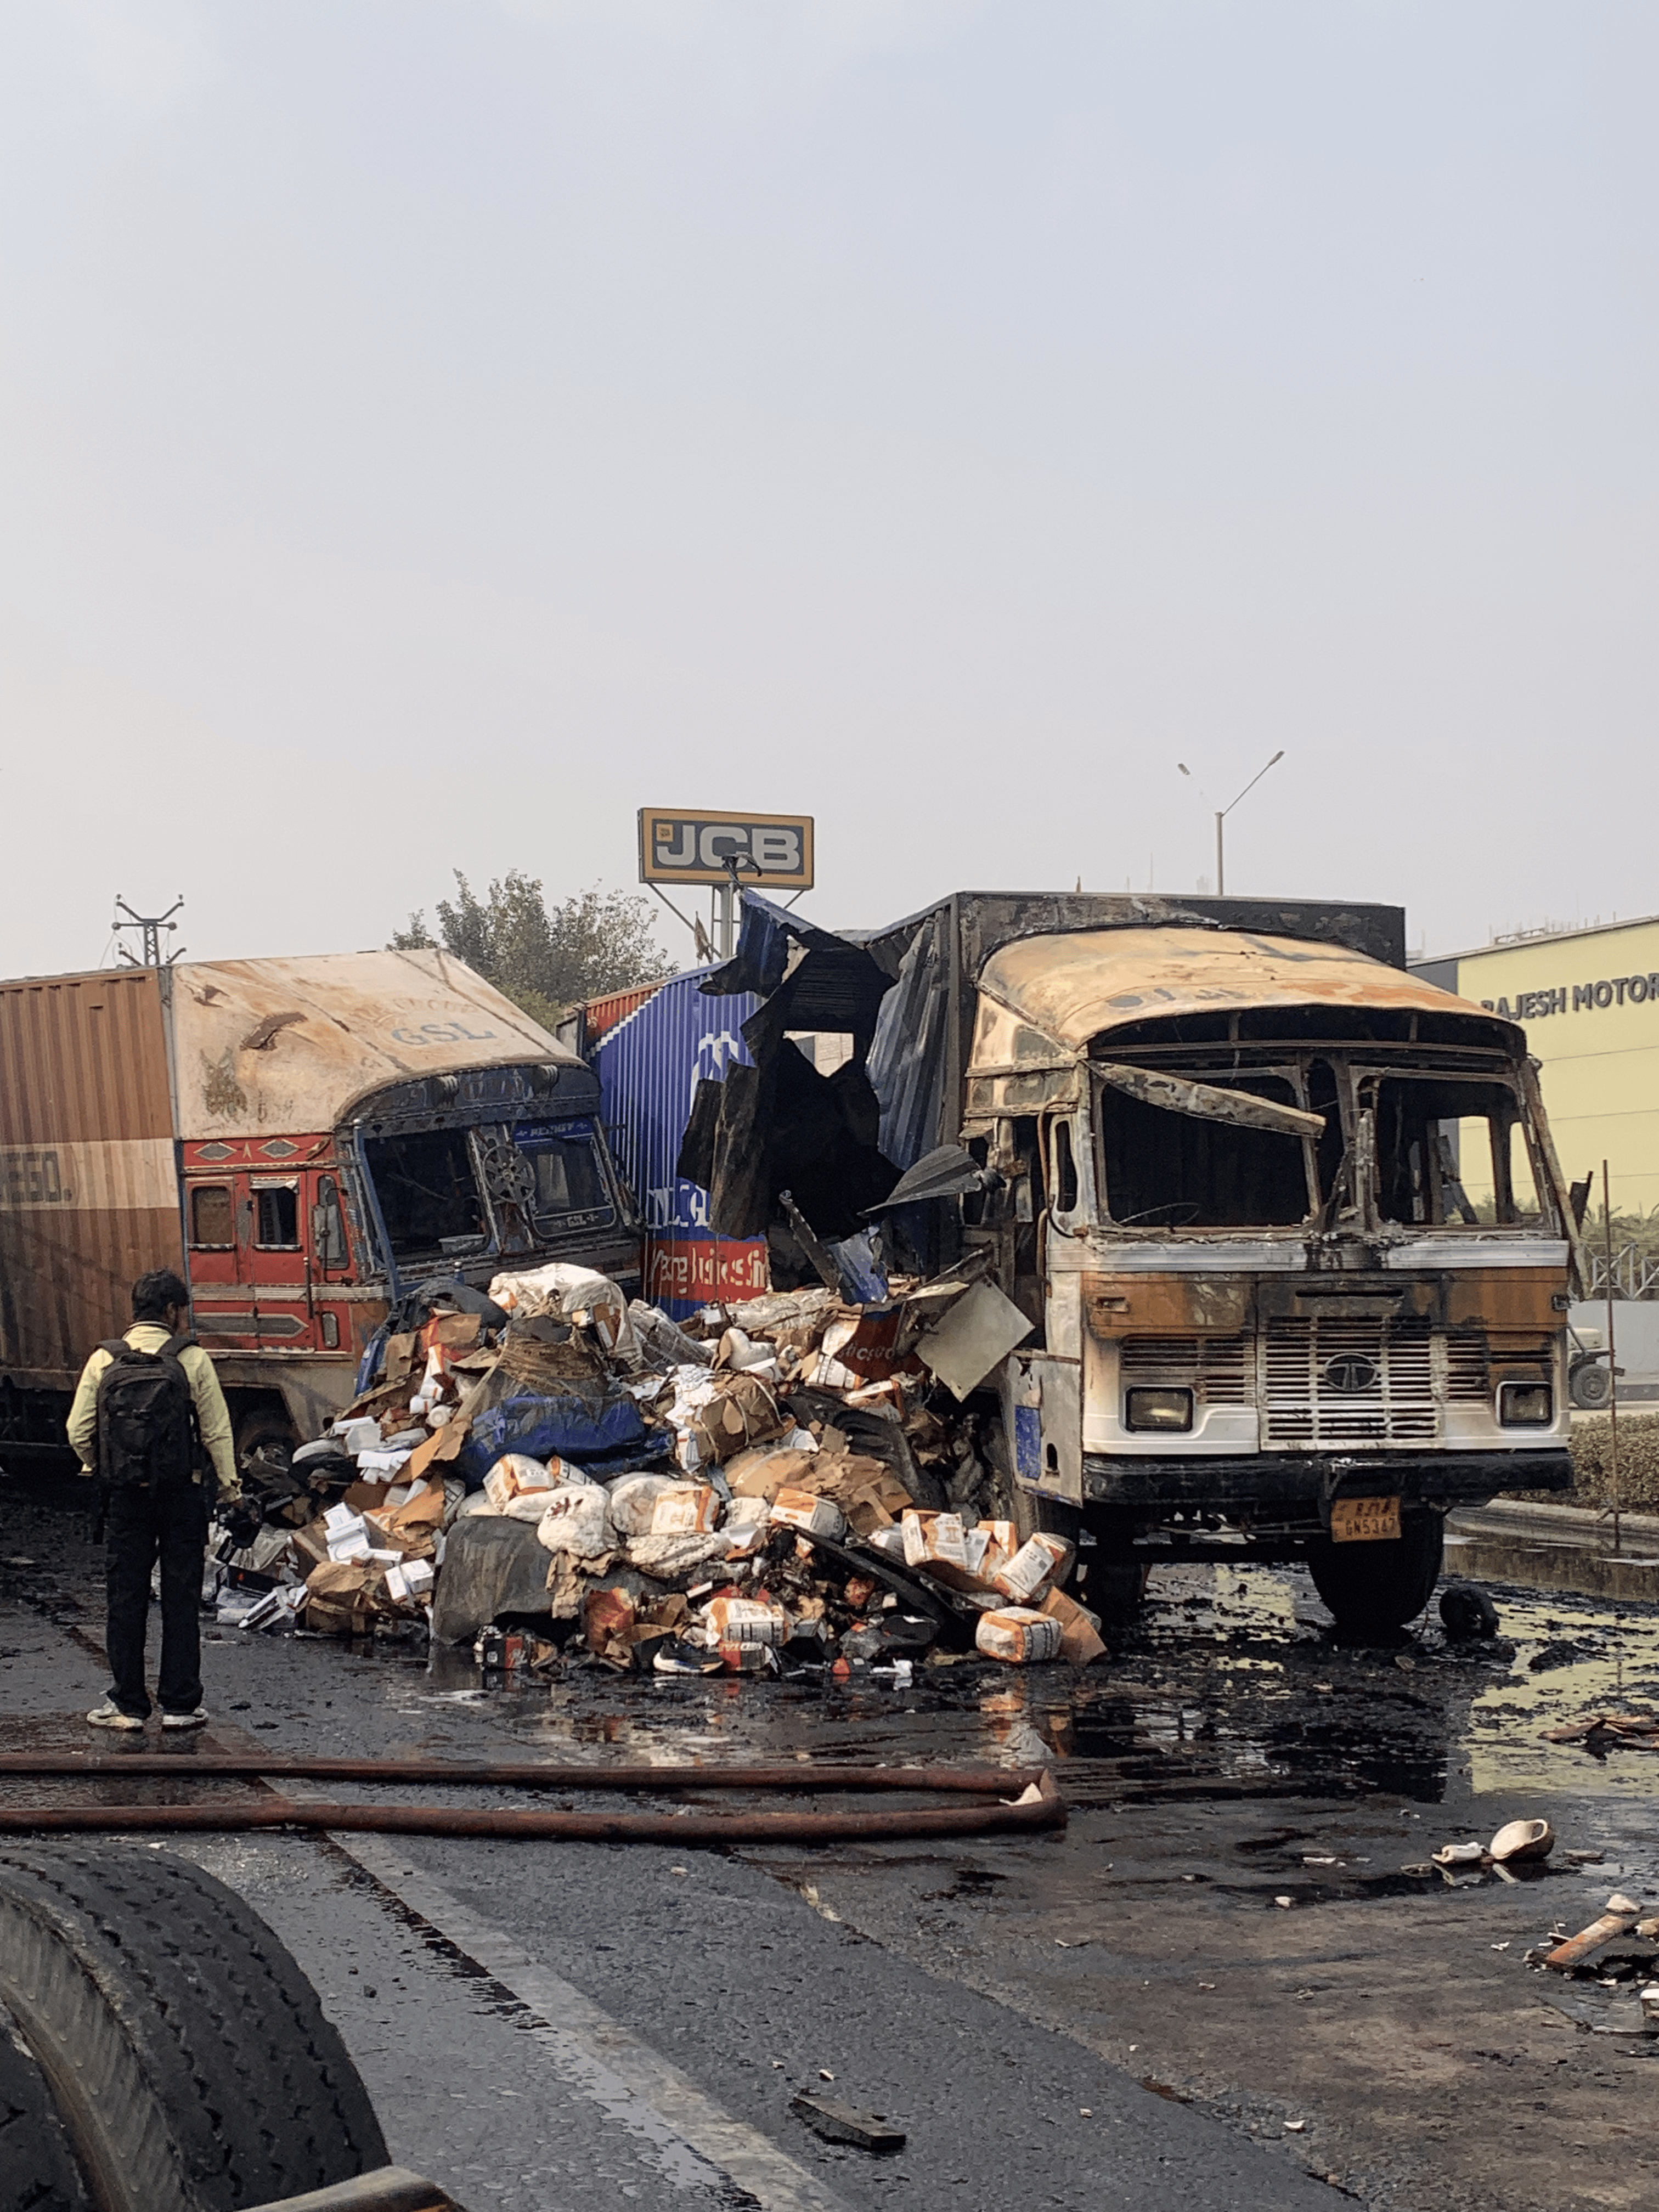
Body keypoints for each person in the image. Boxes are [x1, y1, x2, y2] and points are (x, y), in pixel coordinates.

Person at [66, 1268, 252, 1730]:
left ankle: (127, 1705)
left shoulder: (104, 1360)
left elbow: (77, 1430)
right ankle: (181, 1705)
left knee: (125, 1597)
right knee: (181, 1595)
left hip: (127, 1496)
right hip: (181, 1493)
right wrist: (230, 1488)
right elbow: (216, 1430)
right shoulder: (191, 1359)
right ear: (172, 1312)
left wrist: (99, 1467)